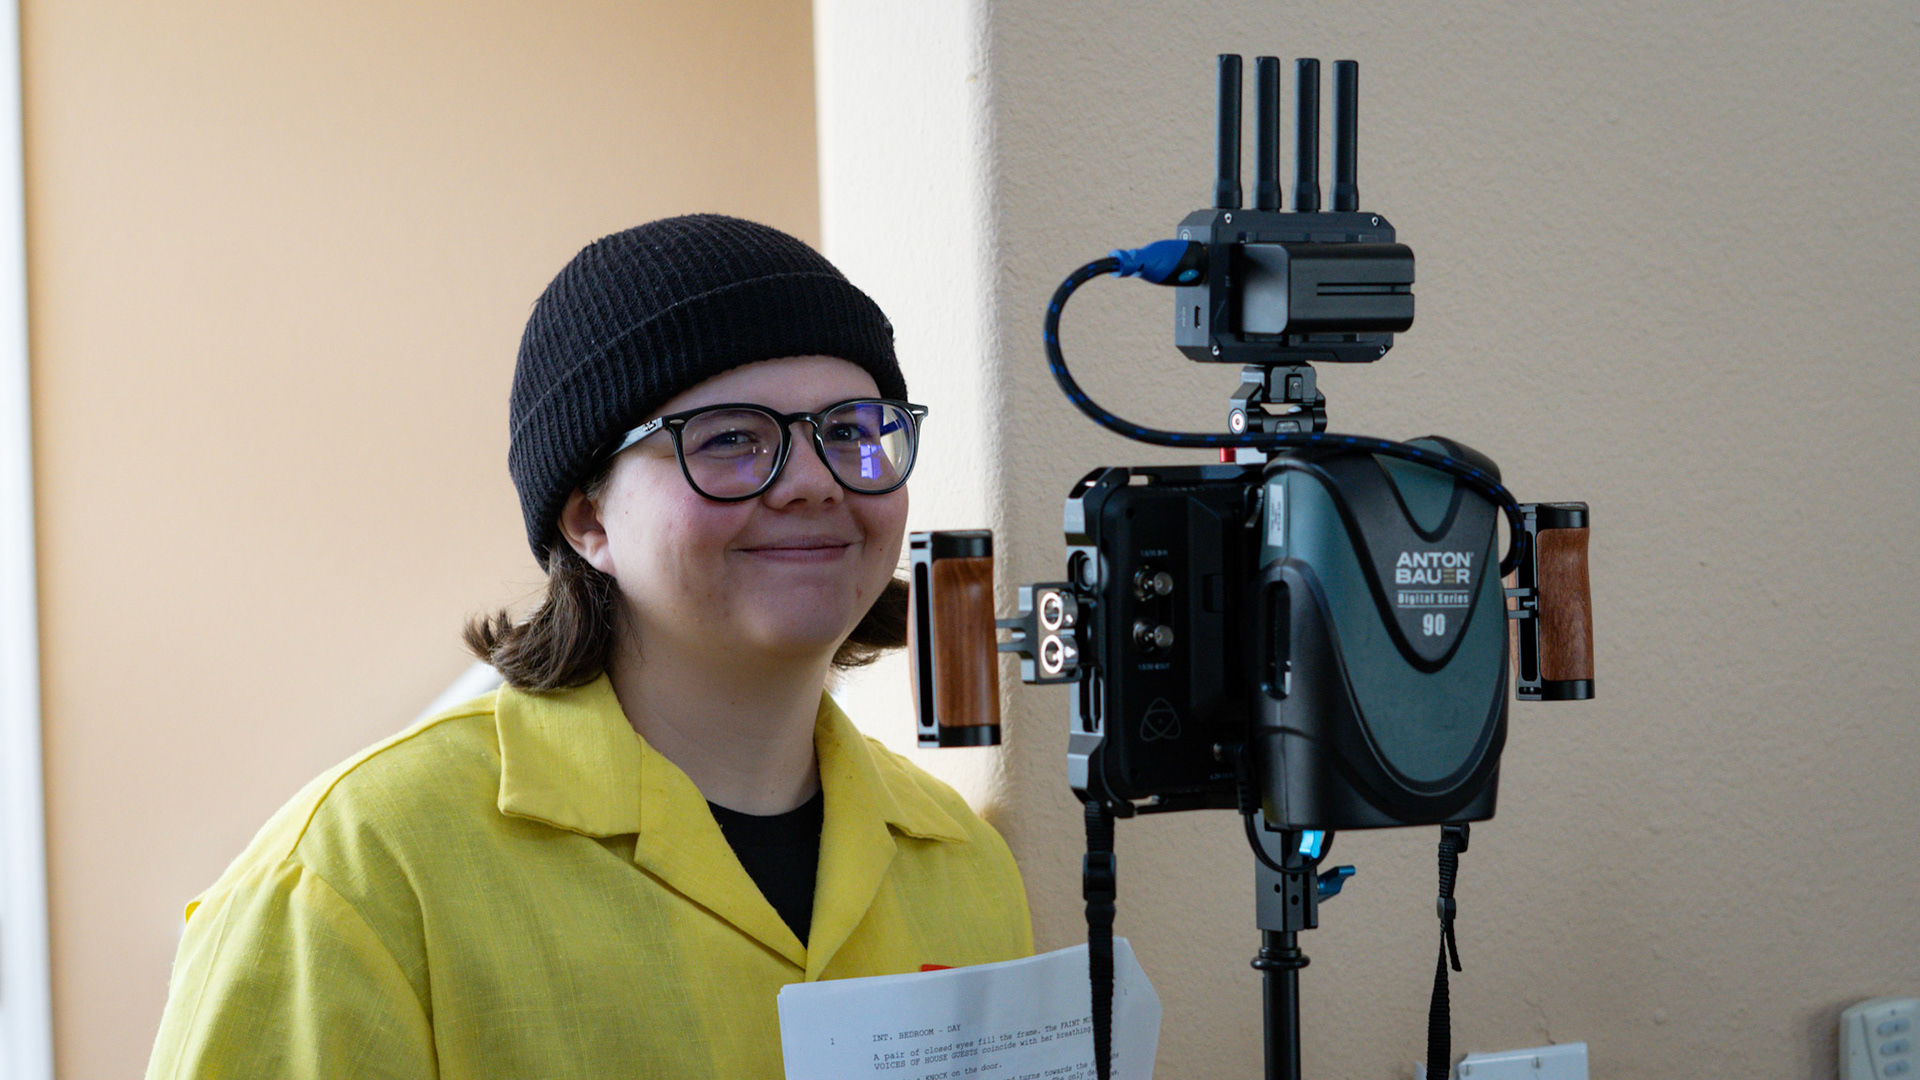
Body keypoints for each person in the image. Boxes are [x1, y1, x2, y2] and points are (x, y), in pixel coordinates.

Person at [145, 215, 1034, 1079]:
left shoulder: (963, 864)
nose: (813, 482)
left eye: (852, 431)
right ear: (587, 520)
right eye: (730, 439)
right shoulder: (360, 871)